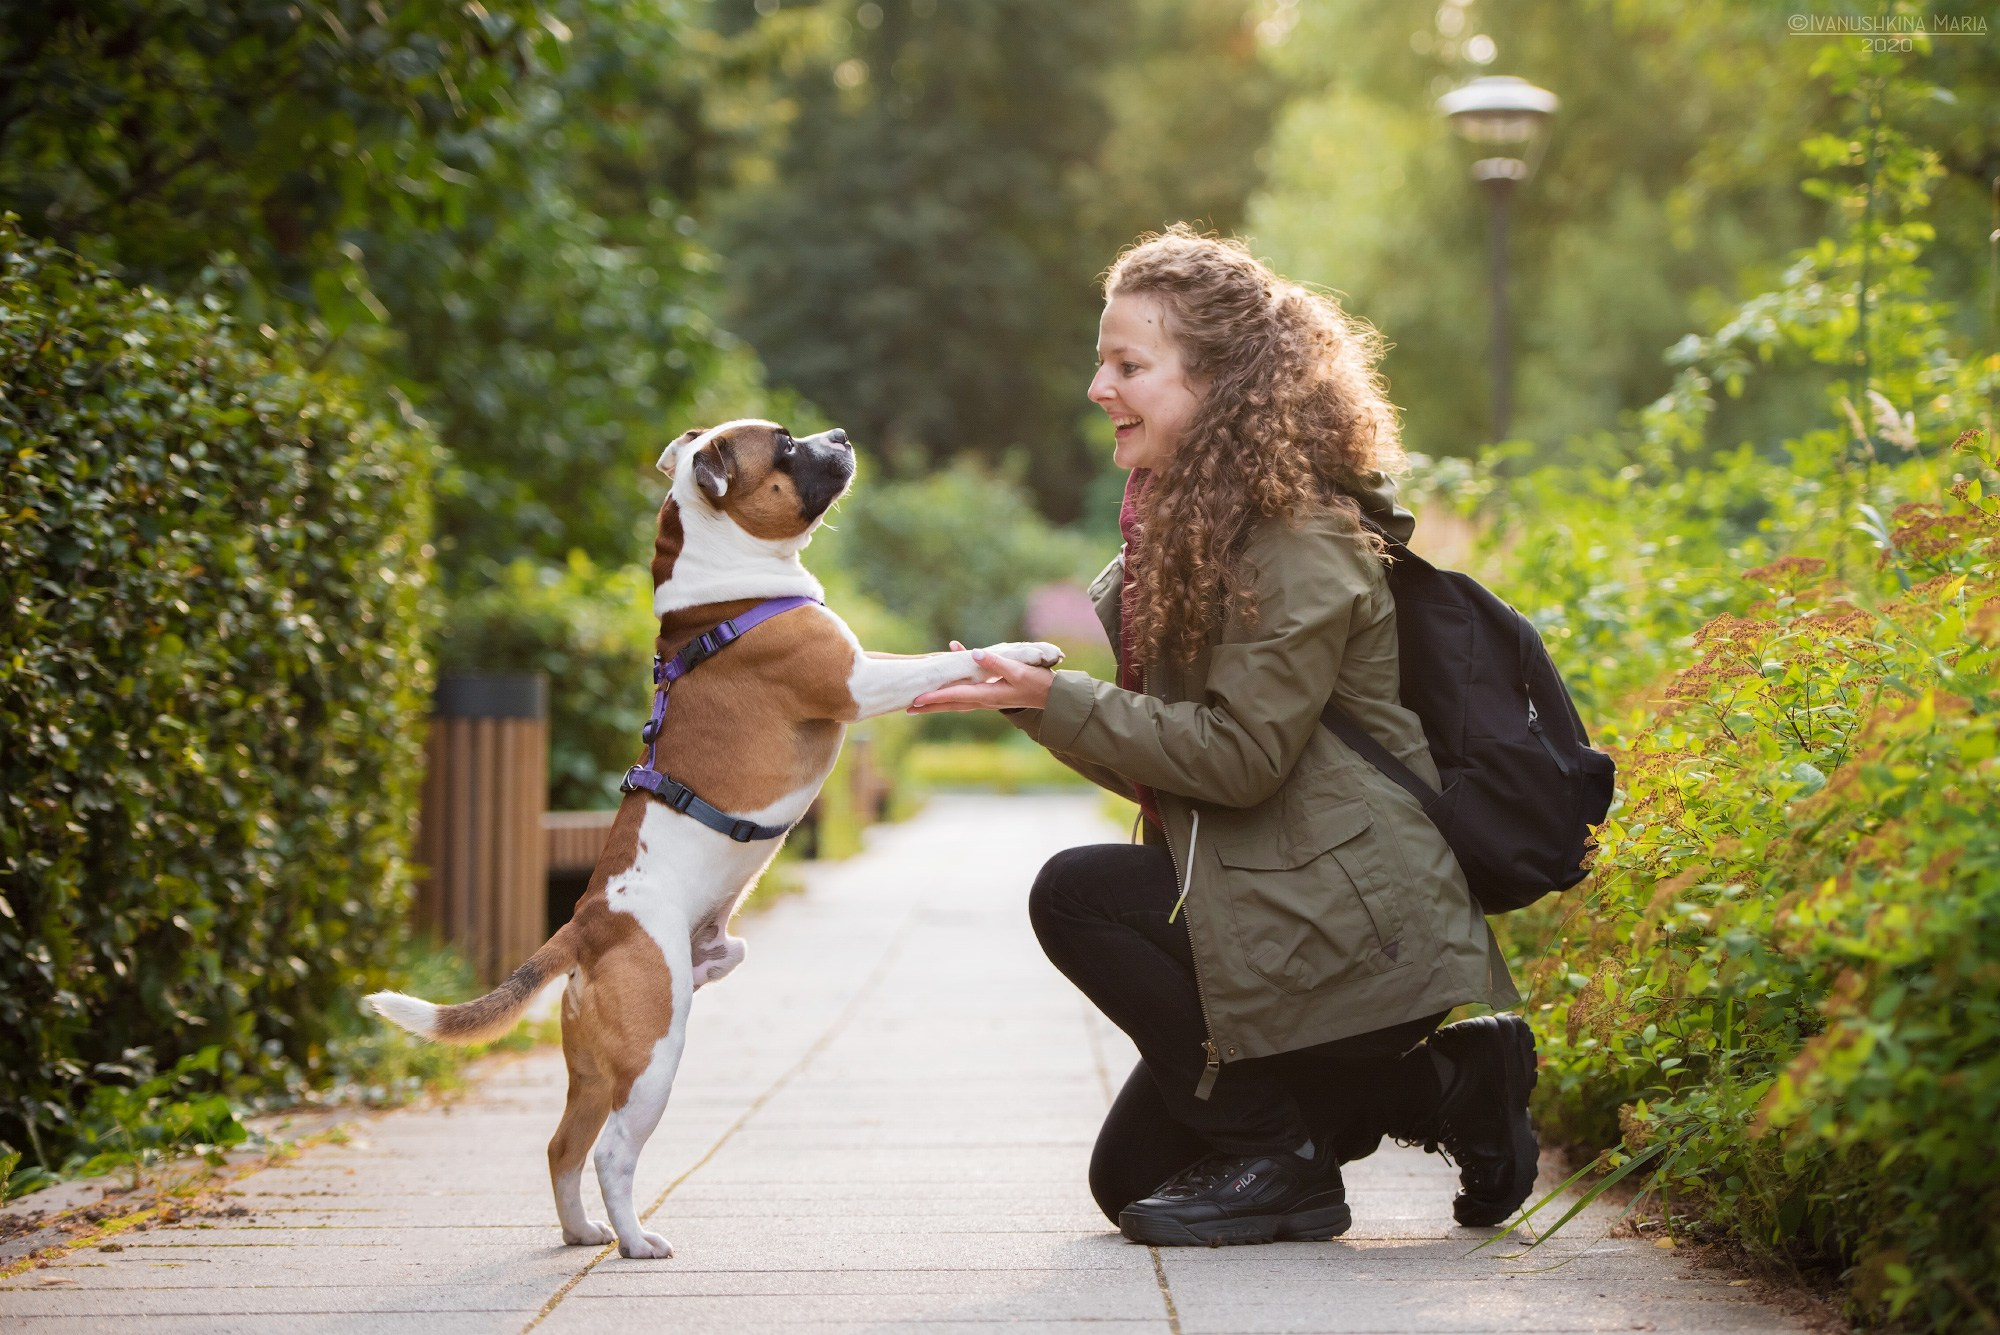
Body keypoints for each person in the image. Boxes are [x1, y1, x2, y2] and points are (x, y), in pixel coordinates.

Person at [908, 227, 1538, 1248]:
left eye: (1126, 364)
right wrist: (1031, 695)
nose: (1094, 385)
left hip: (1356, 927)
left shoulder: (1295, 538)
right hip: (1285, 902)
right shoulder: (1192, 523)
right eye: (1101, 359)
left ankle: (1285, 1163)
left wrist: (1046, 699)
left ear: (1218, 382)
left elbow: (1237, 760)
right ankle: (1448, 1089)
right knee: (1129, 1183)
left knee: (1075, 894)